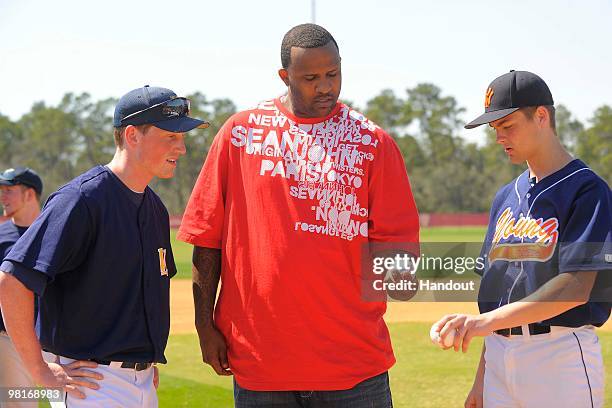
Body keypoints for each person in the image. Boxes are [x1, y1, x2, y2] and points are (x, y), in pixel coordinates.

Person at [178, 23, 420, 407]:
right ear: (284, 76)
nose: (325, 86)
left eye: (333, 74)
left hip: (353, 368)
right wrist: (203, 324)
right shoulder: (240, 135)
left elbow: (397, 254)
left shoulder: (373, 143)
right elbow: (207, 240)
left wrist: (390, 275)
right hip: (261, 366)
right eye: (310, 78)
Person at [0, 86, 208, 407]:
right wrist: (38, 369)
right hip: (91, 383)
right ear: (132, 135)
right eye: (171, 137)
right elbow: (12, 282)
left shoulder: (154, 208)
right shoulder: (81, 199)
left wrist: (144, 357)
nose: (181, 148)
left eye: (182, 139)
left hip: (142, 382)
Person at [432, 70, 611, 408]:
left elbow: (575, 288)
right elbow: (498, 297)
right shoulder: (504, 197)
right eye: (495, 129)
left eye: (508, 125)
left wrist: (482, 323)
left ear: (541, 116)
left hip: (558, 357)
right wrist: (481, 378)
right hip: (500, 358)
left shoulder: (587, 190)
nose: (499, 137)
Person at [0, 167, 43, 408]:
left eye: (9, 191)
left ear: (30, 195)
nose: (2, 197)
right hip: (11, 341)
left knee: (67, 400)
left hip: (54, 339)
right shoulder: (1, 236)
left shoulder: (54, 232)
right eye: (1, 191)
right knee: (20, 404)